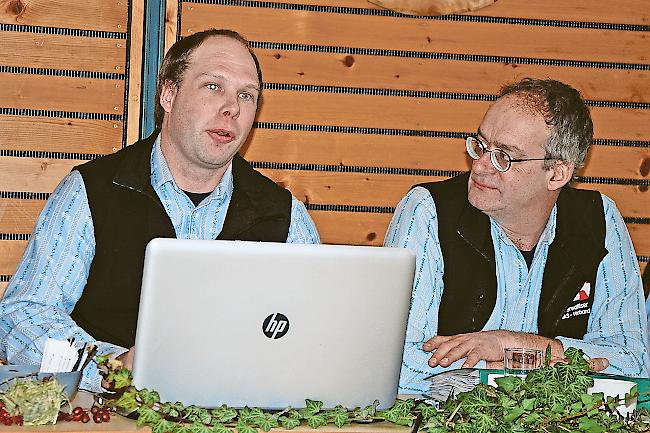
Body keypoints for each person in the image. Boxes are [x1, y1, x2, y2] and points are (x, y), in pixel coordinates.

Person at [0, 29, 320, 392]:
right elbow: (21, 315)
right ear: (169, 94)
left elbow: (316, 334)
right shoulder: (90, 192)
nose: (232, 107)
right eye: (213, 86)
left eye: (246, 95)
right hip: (112, 416)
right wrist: (112, 367)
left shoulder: (286, 215)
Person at [384, 78, 650, 393]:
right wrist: (529, 363)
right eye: (480, 146)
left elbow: (634, 365)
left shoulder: (599, 220)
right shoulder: (428, 211)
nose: (480, 167)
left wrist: (509, 344)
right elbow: (395, 366)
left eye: (504, 157)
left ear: (557, 173)